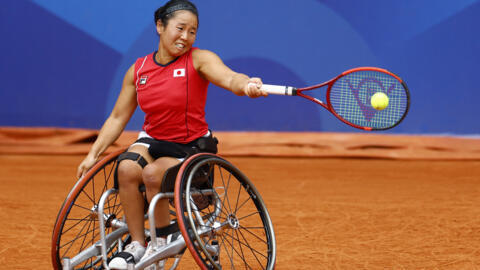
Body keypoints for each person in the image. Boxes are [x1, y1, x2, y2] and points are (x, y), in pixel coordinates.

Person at [76, 0, 267, 269]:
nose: (185, 37)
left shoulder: (199, 59)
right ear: (160, 26)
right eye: (180, 28)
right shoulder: (139, 70)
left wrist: (247, 85)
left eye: (192, 31)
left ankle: (161, 241)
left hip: (191, 146)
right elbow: (118, 117)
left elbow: (229, 77)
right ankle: (138, 244)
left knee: (154, 174)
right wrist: (92, 154)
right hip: (153, 141)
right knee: (127, 168)